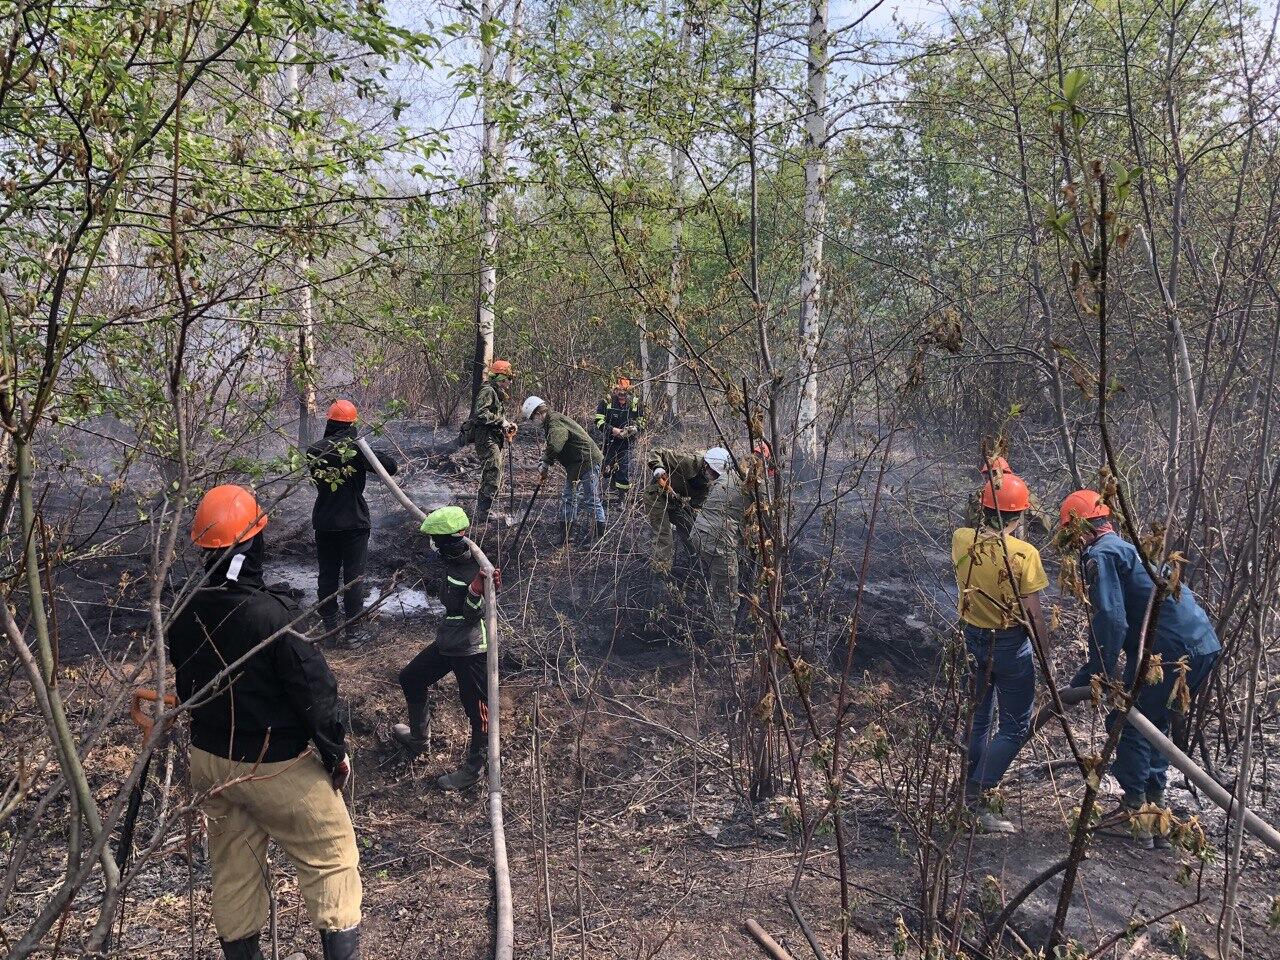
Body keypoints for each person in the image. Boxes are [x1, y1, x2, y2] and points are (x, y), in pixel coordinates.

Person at [168, 485, 361, 960]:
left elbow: (186, 682)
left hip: (209, 762)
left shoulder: (184, 610)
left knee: (234, 869)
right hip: (271, 766)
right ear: (255, 540)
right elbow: (314, 692)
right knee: (332, 857)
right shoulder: (271, 616)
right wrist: (335, 753)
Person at [1060, 489, 1222, 849]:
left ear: (1078, 530)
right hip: (1201, 644)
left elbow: (1111, 619)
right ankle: (1155, 813)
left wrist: (1096, 671)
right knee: (1155, 724)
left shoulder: (1101, 555)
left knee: (1129, 722)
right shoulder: (1128, 548)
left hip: (1168, 650)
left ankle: (1135, 814)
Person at [952, 471, 1050, 834]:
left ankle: (967, 791)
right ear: (1020, 515)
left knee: (979, 720)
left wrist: (991, 482)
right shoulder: (1025, 554)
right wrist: (1046, 658)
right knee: (1015, 726)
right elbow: (1033, 614)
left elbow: (973, 521)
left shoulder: (961, 539)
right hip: (1010, 646)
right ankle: (976, 796)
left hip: (971, 639)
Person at [391, 505, 495, 790]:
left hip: (471, 649)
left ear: (451, 540)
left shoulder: (477, 569)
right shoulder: (453, 558)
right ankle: (418, 739)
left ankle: (474, 770)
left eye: (437, 541)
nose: (435, 546)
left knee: (479, 713)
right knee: (411, 678)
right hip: (449, 641)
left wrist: (476, 590)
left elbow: (474, 615)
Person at [307, 400, 398, 647]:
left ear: (329, 422)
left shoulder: (314, 450)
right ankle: (353, 633)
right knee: (353, 578)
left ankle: (329, 631)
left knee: (327, 576)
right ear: (352, 424)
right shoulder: (356, 449)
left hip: (324, 521)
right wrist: (362, 445)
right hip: (354, 522)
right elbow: (390, 467)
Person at [688, 442, 768, 640]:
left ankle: (714, 610)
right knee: (728, 596)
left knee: (721, 580)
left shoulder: (729, 476)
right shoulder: (757, 485)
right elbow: (765, 522)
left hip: (699, 534)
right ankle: (725, 641)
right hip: (718, 541)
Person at [522, 396, 606, 546]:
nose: (533, 421)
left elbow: (556, 445)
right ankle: (566, 534)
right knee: (569, 497)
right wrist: (545, 460)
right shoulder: (550, 422)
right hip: (575, 464)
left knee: (591, 499)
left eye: (532, 418)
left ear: (538, 413)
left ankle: (598, 538)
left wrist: (545, 462)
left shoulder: (555, 422)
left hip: (588, 461)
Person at [643, 447, 720, 576]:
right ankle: (660, 574)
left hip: (673, 501)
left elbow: (696, 505)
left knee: (690, 527)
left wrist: (695, 520)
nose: (713, 476)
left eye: (716, 474)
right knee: (664, 536)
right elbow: (657, 451)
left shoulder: (706, 484)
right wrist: (658, 467)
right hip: (656, 495)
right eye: (713, 472)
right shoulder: (688, 461)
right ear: (706, 465)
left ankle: (695, 563)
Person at [468, 359, 517, 523]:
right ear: (501, 378)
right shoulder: (488, 391)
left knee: (493, 471)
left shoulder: (496, 392)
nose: (510, 382)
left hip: (493, 436)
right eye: (508, 378)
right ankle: (483, 512)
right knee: (493, 470)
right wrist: (501, 421)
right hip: (485, 438)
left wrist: (507, 424)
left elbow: (494, 416)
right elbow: (480, 414)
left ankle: (483, 509)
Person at [595, 377, 645, 510]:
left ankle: (621, 499)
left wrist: (635, 428)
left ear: (629, 391)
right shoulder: (607, 401)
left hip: (627, 442)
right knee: (606, 466)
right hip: (610, 440)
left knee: (624, 468)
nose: (622, 394)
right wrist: (612, 429)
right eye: (619, 391)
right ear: (615, 390)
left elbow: (642, 421)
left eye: (625, 392)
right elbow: (598, 421)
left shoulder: (635, 402)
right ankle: (602, 493)